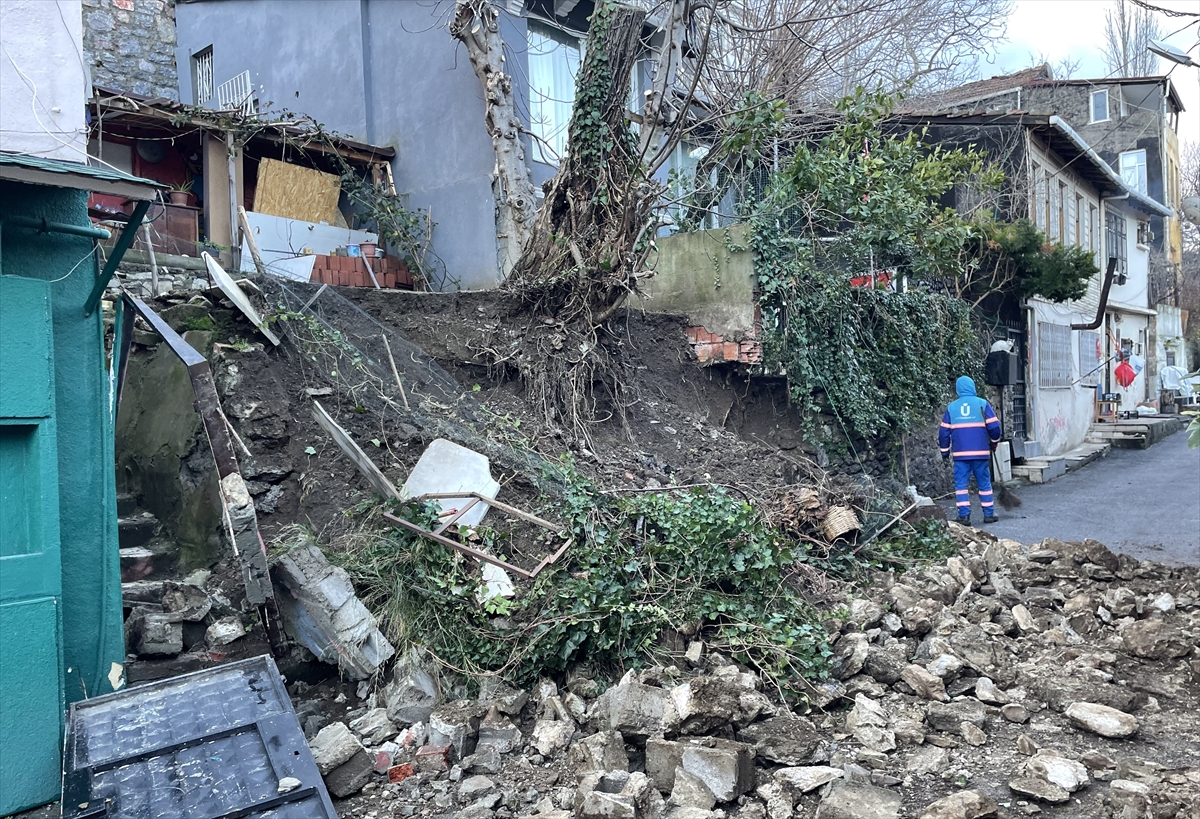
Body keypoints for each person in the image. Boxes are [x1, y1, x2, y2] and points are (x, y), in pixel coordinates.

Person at [938, 375, 1002, 524]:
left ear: (958, 389)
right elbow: (994, 427)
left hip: (960, 455)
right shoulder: (982, 404)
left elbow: (943, 432)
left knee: (961, 485)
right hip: (981, 453)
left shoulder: (952, 408)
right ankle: (988, 514)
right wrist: (994, 443)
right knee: (984, 483)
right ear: (973, 387)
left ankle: (964, 516)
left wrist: (945, 452)